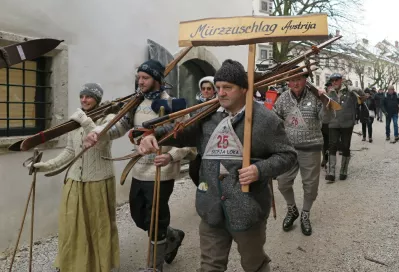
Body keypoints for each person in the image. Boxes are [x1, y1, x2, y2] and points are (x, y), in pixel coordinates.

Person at [136, 59, 297, 272]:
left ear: (243, 89)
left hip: (248, 209)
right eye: (218, 87)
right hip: (211, 207)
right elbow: (179, 131)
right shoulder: (207, 116)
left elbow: (287, 155)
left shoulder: (265, 120)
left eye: (227, 88)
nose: (220, 93)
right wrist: (151, 135)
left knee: (254, 265)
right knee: (210, 267)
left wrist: (260, 170)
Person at [84, 60, 196, 271]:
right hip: (139, 168)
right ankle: (171, 236)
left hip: (160, 170)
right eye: (139, 77)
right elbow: (119, 127)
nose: (140, 81)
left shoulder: (175, 104)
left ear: (156, 79)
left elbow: (188, 143)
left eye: (145, 78)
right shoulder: (136, 104)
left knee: (156, 218)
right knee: (138, 216)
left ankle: (155, 266)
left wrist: (170, 157)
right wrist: (99, 133)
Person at [27, 83, 120, 272]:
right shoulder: (75, 122)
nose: (84, 100)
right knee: (71, 226)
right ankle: (73, 265)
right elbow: (70, 151)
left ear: (98, 99)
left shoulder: (108, 118)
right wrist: (46, 166)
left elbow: (101, 143)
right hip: (75, 181)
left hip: (99, 181)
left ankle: (100, 266)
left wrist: (86, 122)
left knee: (98, 226)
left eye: (89, 96)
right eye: (82, 96)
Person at [272, 68, 324, 236]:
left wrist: (325, 100)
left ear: (305, 80)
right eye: (292, 79)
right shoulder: (282, 99)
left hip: (311, 148)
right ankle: (292, 209)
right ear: (288, 81)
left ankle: (305, 214)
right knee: (283, 182)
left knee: (310, 186)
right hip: (289, 150)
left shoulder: (315, 97)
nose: (295, 83)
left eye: (299, 79)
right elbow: (275, 121)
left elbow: (328, 119)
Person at [324, 73, 365, 182]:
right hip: (333, 123)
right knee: (332, 145)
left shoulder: (350, 91)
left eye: (336, 80)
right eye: (332, 80)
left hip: (347, 123)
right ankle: (331, 172)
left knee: (345, 146)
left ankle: (343, 170)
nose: (334, 82)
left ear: (341, 80)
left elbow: (363, 98)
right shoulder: (330, 93)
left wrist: (357, 89)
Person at [190, 76, 218, 186]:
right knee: (194, 171)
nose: (205, 91)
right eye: (203, 88)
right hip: (199, 145)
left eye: (209, 88)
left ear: (214, 90)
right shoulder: (197, 105)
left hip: (213, 145)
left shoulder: (219, 105)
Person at [320, 81, 333, 168]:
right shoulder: (323, 96)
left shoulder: (335, 96)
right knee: (324, 143)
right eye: (328, 87)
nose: (330, 88)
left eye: (331, 86)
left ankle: (331, 159)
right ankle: (325, 158)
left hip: (333, 123)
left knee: (331, 143)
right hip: (323, 123)